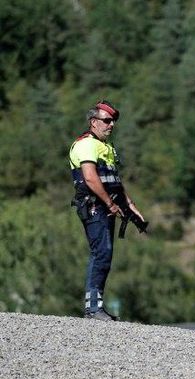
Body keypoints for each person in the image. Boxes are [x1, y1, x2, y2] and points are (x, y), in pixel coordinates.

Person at [69, 100, 144, 321]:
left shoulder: (106, 147)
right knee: (100, 253)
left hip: (106, 207)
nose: (111, 125)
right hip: (94, 206)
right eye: (107, 120)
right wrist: (110, 204)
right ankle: (93, 308)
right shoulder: (86, 145)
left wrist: (130, 206)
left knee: (105, 254)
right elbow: (91, 178)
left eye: (113, 121)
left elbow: (114, 183)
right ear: (94, 122)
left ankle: (96, 306)